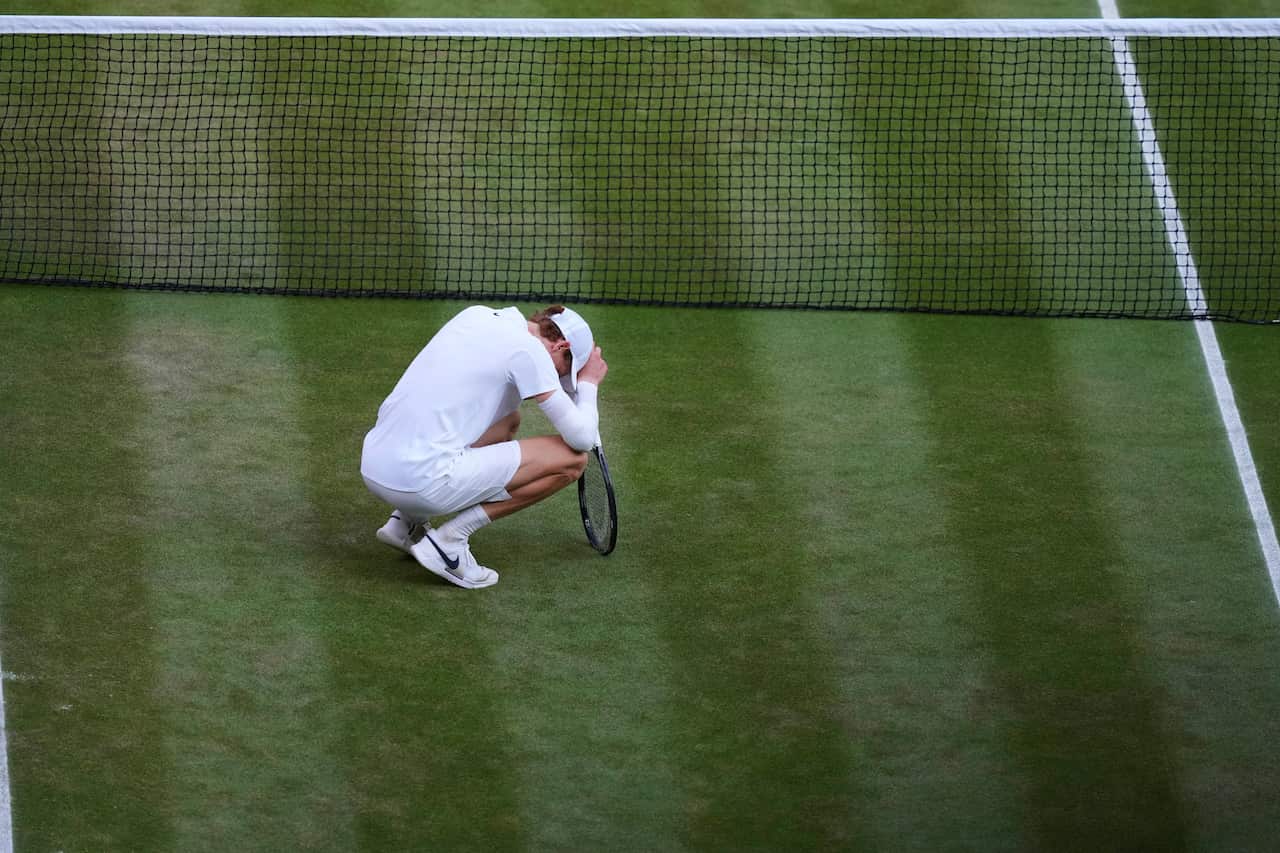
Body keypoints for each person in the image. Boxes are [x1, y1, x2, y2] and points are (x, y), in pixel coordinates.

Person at [360, 305, 608, 589]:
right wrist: (588, 384)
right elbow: (582, 439)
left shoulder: (476, 315)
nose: (556, 378)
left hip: (374, 464)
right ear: (560, 346)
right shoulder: (529, 351)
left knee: (509, 421)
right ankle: (449, 542)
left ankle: (406, 524)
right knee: (573, 460)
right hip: (420, 483)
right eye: (560, 371)